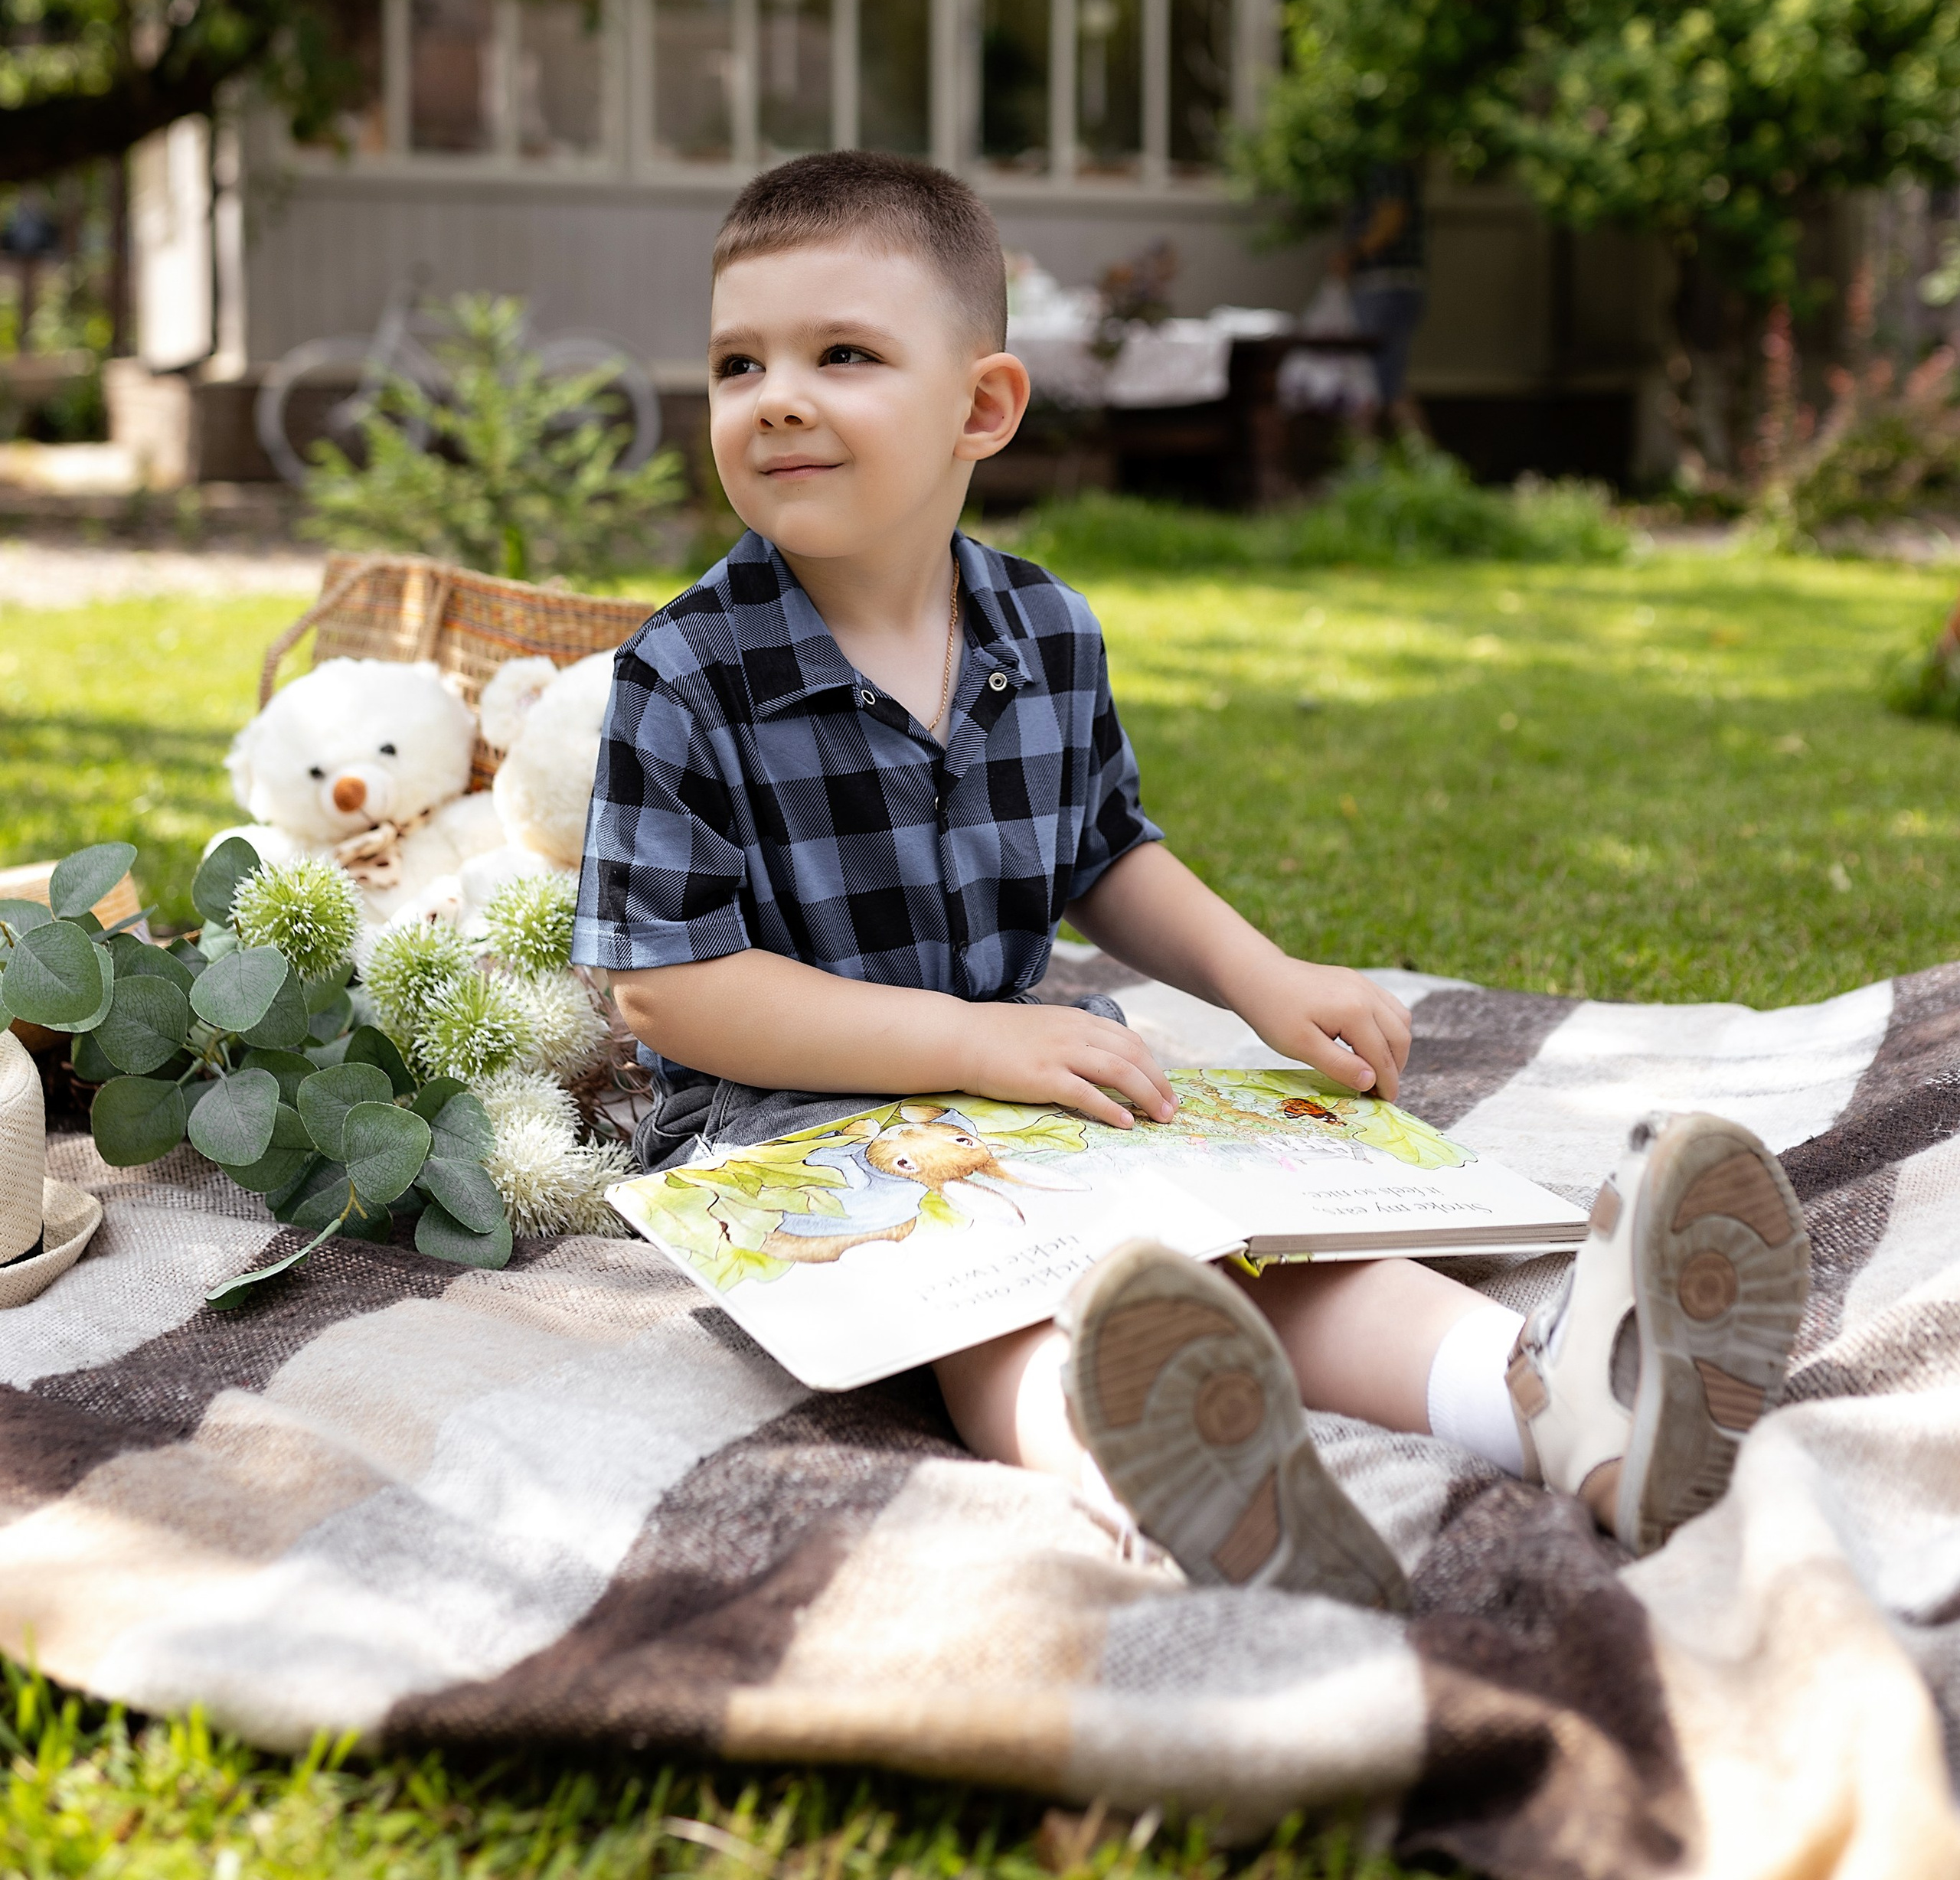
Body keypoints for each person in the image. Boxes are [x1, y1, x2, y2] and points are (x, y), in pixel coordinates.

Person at [574, 155, 1810, 1601]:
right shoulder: (686, 672)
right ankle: (1165, 1483)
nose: (776, 395)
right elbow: (669, 990)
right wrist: (977, 1043)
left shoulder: (1044, 629)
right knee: (1015, 1311)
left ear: (982, 406)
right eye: (739, 362)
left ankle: (1557, 1407)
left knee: (1247, 1246)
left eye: (842, 353)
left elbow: (1107, 849)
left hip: (1023, 1091)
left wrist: (1262, 977)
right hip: (792, 1143)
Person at [1331, 162, 1429, 440]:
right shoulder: (1379, 166)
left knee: (1381, 382)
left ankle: (1424, 466)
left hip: (1387, 285)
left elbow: (1390, 219)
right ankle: (1418, 466)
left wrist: (1351, 254)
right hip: (1389, 286)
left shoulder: (1385, 165)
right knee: (1382, 380)